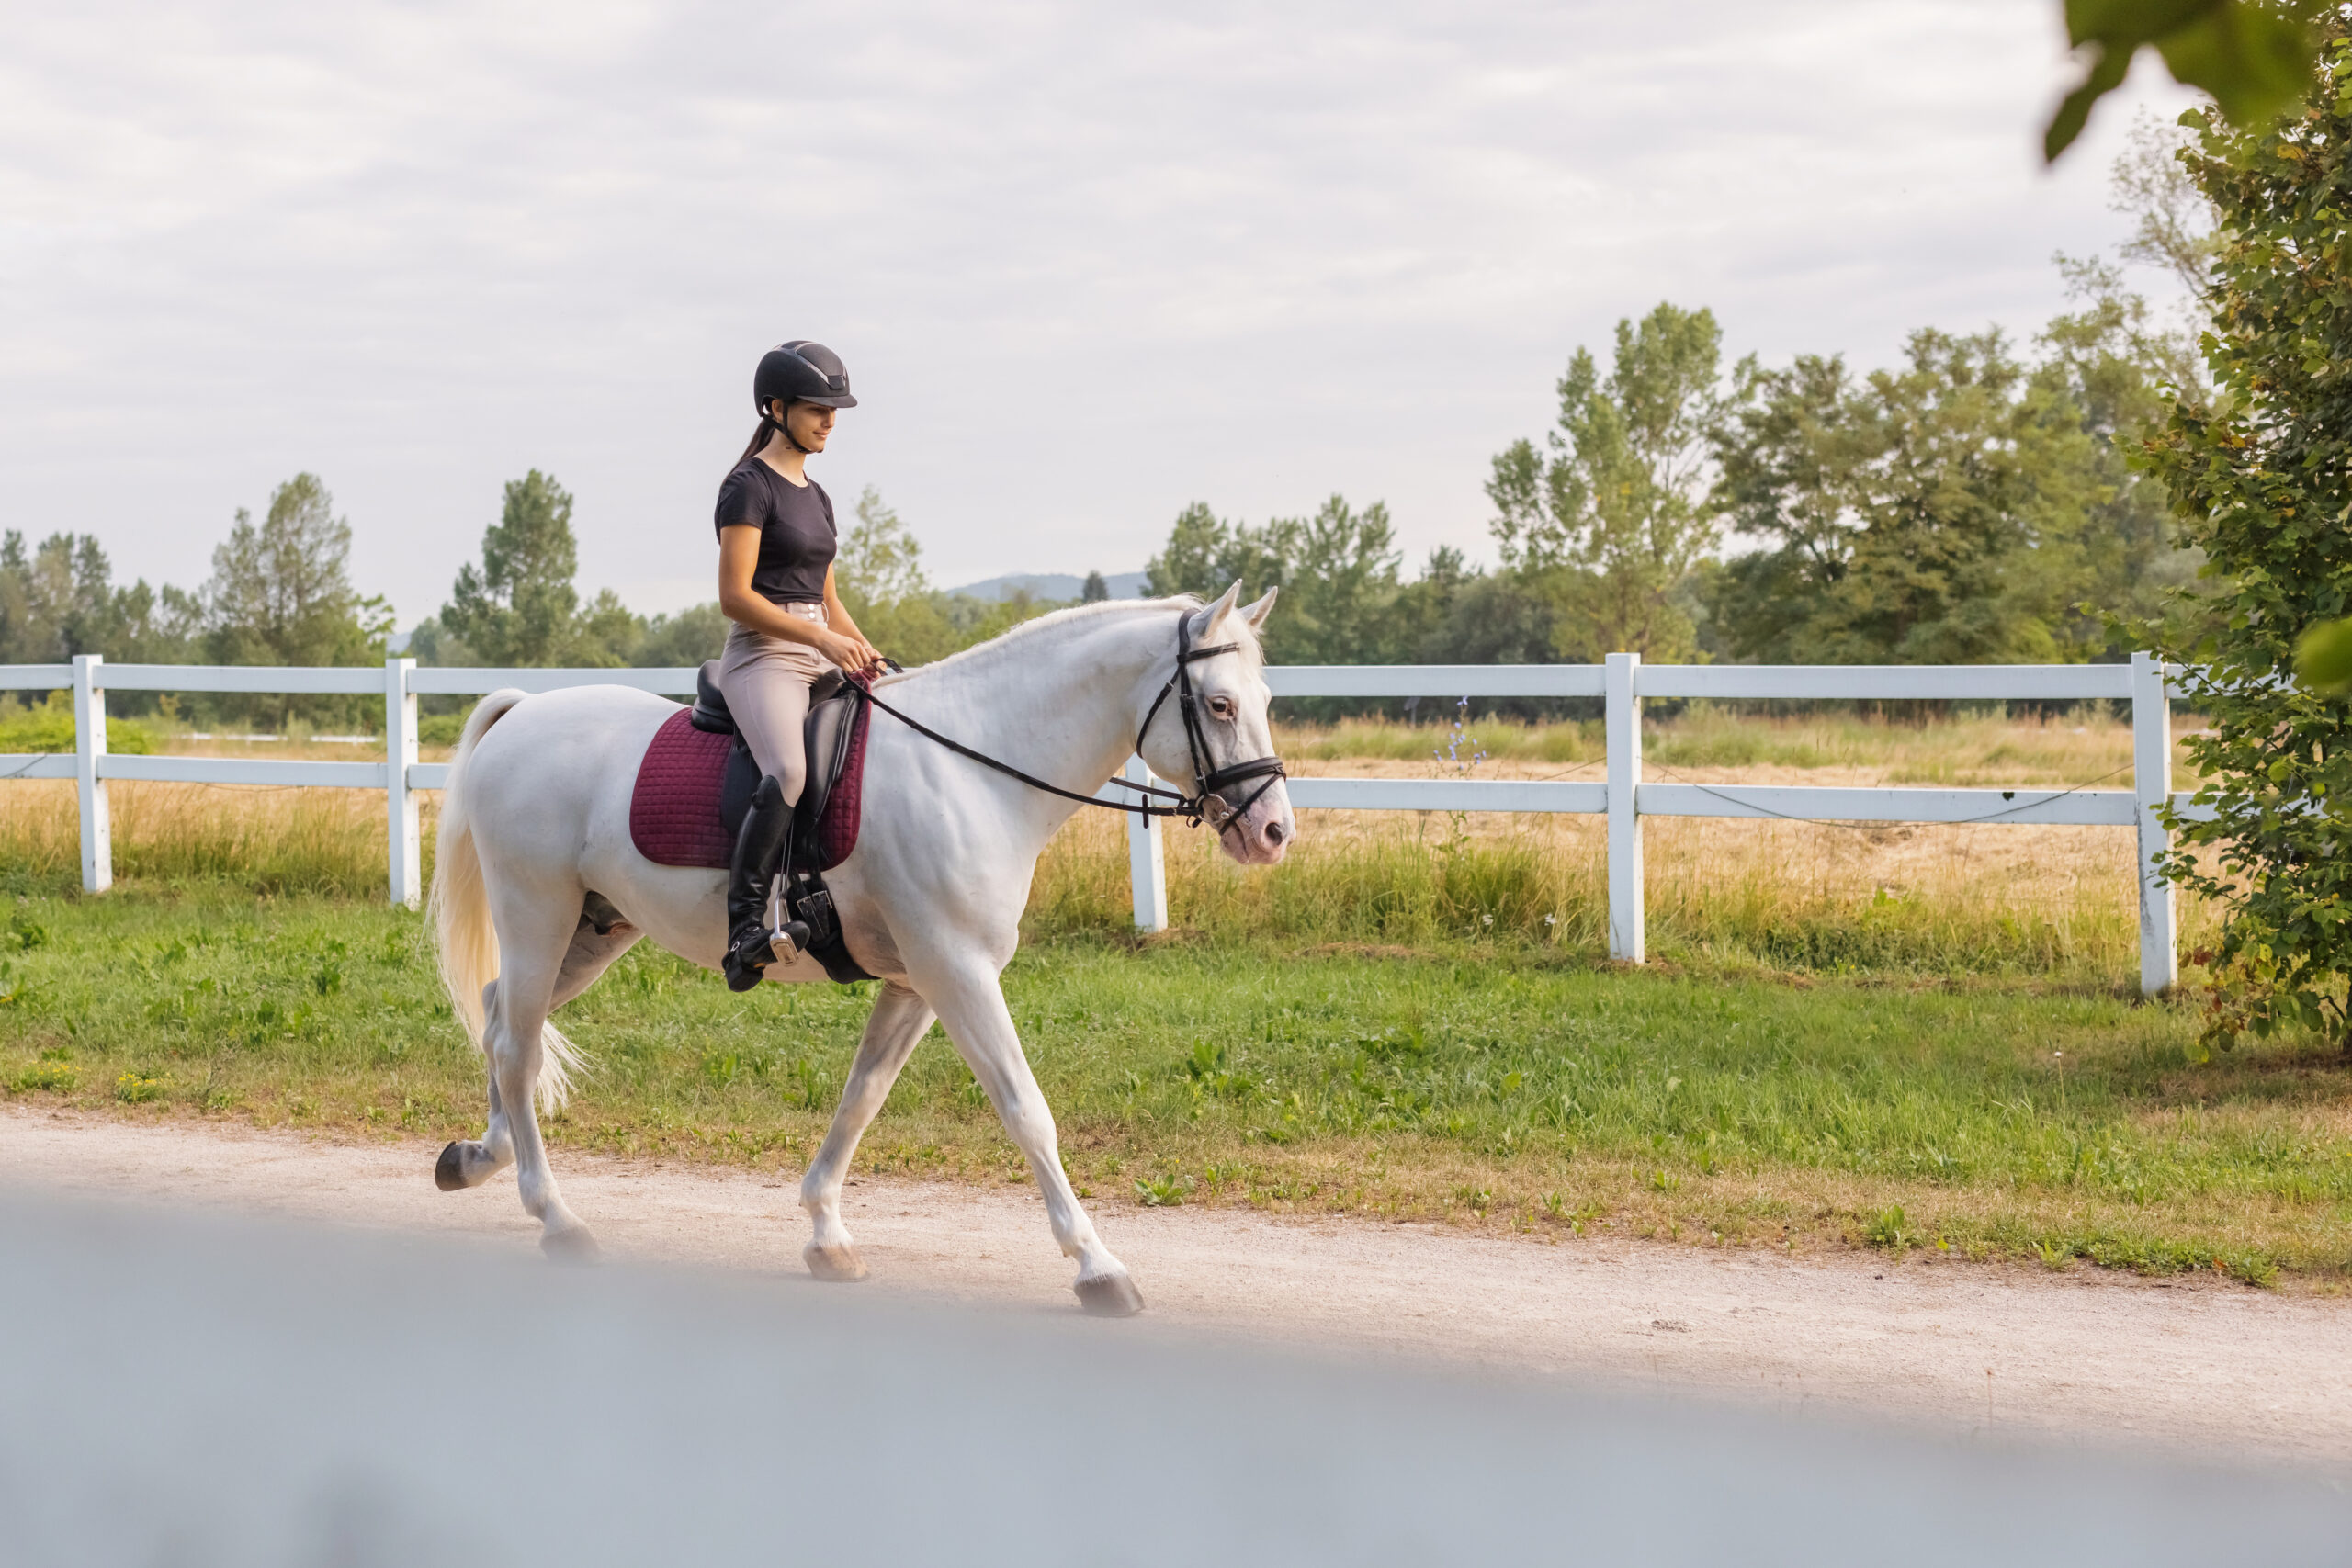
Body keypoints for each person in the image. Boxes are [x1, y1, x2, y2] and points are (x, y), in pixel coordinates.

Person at [713, 340, 886, 990]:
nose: (830, 420)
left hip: (819, 650)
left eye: (835, 408)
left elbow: (829, 599)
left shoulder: (817, 496)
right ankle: (743, 929)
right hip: (765, 657)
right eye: (818, 408)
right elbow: (737, 595)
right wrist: (819, 641)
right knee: (787, 768)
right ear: (777, 408)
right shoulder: (747, 488)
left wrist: (864, 651)